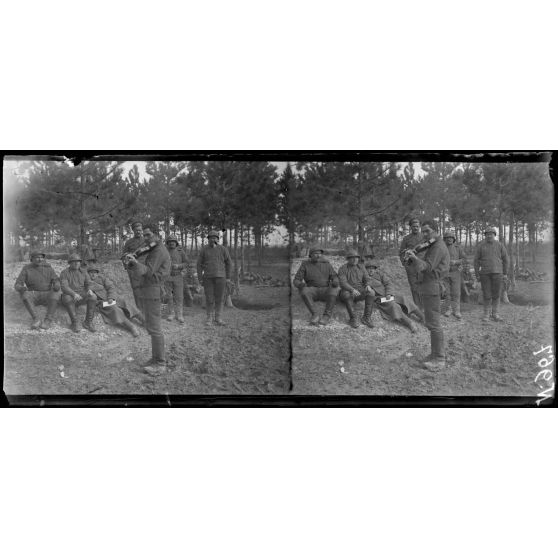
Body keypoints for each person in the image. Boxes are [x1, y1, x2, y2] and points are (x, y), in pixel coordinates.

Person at [124, 224, 171, 374]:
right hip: (149, 291)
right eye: (144, 235)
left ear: (157, 235)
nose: (145, 238)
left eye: (148, 235)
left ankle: (160, 364)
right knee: (152, 327)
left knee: (155, 328)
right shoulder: (155, 249)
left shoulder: (158, 250)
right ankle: (155, 358)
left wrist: (135, 263)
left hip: (153, 291)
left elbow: (149, 272)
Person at [405, 221, 449, 370]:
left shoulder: (437, 246)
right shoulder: (433, 245)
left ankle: (439, 359)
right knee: (431, 323)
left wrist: (414, 257)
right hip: (428, 287)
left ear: (436, 231)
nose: (424, 235)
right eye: (423, 232)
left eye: (427, 231)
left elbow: (428, 267)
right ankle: (434, 354)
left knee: (434, 324)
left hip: (432, 287)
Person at [363, 253, 424, 333]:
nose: (371, 270)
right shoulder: (364, 278)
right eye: (369, 268)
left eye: (373, 268)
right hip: (379, 299)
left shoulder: (379, 274)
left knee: (404, 299)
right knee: (393, 305)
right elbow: (365, 287)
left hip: (388, 295)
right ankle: (410, 323)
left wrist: (389, 294)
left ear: (375, 269)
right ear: (366, 269)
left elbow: (388, 283)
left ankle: (423, 317)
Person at [86, 266, 141, 337]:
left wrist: (111, 297)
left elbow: (111, 287)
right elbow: (89, 298)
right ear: (88, 274)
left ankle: (143, 320)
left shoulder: (102, 278)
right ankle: (131, 327)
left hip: (110, 298)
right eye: (91, 273)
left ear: (97, 274)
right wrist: (98, 302)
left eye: (95, 273)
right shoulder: (86, 283)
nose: (93, 275)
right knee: (115, 309)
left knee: (125, 301)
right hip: (102, 303)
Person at [14, 251, 62, 330]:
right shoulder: (26, 268)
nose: (39, 259)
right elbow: (17, 284)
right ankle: (36, 319)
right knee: (24, 294)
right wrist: (21, 288)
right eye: (37, 257)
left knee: (56, 293)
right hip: (33, 294)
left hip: (47, 294)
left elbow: (56, 279)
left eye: (41, 257)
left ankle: (48, 320)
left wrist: (57, 284)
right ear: (31, 259)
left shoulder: (48, 268)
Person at [292, 246, 340, 326]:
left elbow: (334, 276)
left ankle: (326, 316)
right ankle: (315, 314)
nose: (318, 255)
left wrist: (335, 281)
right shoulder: (305, 264)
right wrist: (300, 285)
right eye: (316, 253)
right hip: (312, 290)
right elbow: (296, 280)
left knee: (334, 289)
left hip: (325, 290)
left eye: (320, 254)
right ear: (310, 255)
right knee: (304, 291)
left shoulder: (327, 264)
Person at [196, 230, 233, 326]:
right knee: (209, 298)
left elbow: (229, 263)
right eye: (211, 238)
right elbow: (199, 264)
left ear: (218, 239)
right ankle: (209, 318)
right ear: (208, 239)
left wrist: (228, 277)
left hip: (221, 277)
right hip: (208, 278)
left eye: (215, 238)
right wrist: (200, 278)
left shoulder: (223, 249)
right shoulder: (204, 249)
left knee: (220, 298)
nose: (213, 239)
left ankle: (218, 317)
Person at [474, 226, 509, 322]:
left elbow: (506, 260)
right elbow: (476, 261)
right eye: (487, 234)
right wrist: (477, 274)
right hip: (485, 274)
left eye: (491, 234)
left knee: (496, 294)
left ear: (494, 235)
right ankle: (486, 314)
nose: (489, 236)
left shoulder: (500, 245)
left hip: (498, 273)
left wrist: (505, 273)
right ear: (485, 235)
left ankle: (495, 314)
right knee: (487, 294)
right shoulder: (481, 246)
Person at [60, 253, 98, 333]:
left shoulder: (84, 272)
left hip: (81, 296)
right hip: (70, 296)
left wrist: (89, 290)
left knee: (93, 297)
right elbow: (64, 287)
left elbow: (89, 283)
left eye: (78, 261)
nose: (77, 263)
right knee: (67, 297)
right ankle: (75, 322)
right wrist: (74, 294)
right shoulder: (64, 273)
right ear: (70, 263)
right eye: (74, 261)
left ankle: (88, 322)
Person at [337, 249, 375, 329]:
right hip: (347, 291)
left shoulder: (361, 267)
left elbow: (367, 278)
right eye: (352, 258)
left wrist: (368, 285)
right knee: (346, 294)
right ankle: (353, 318)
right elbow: (343, 283)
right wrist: (352, 290)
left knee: (371, 292)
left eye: (357, 258)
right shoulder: (342, 269)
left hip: (359, 292)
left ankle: (366, 318)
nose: (355, 260)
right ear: (348, 259)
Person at [121, 221, 146, 320]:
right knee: (136, 291)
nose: (139, 232)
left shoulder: (147, 241)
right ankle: (139, 312)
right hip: (133, 270)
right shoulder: (129, 242)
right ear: (133, 231)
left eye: (140, 230)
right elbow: (123, 255)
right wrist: (126, 258)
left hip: (145, 269)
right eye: (136, 230)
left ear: (142, 230)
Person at [399, 217, 424, 309]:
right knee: (413, 287)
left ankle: (425, 306)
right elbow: (401, 252)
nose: (415, 228)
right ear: (411, 227)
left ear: (419, 226)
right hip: (411, 265)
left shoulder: (424, 237)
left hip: (423, 265)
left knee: (424, 286)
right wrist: (404, 263)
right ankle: (417, 307)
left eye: (417, 226)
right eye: (413, 226)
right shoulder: (406, 238)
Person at [442, 230, 467, 319]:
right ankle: (449, 309)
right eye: (447, 238)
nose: (449, 239)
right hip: (444, 273)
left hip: (455, 272)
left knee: (456, 292)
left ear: (453, 239)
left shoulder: (458, 248)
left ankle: (457, 310)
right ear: (444, 239)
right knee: (447, 293)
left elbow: (464, 259)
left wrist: (456, 262)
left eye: (451, 238)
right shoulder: (442, 248)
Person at [164, 235, 189, 323]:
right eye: (170, 241)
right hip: (167, 277)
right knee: (169, 296)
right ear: (167, 243)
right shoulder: (164, 252)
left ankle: (179, 314)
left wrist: (179, 266)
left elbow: (186, 263)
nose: (171, 243)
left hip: (178, 276)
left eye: (173, 241)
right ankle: (171, 313)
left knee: (179, 296)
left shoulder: (180, 251)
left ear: (176, 243)